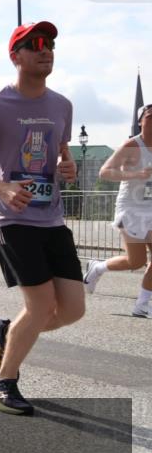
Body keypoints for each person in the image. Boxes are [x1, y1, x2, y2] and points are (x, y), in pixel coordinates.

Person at [0, 21, 84, 416]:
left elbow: (63, 154)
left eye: (48, 44)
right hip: (12, 219)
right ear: (15, 56)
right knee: (40, 304)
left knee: (72, 310)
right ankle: (2, 382)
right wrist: (1, 188)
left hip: (51, 218)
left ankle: (5, 331)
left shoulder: (62, 104)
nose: (44, 50)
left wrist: (68, 168)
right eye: (33, 45)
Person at [83, 103, 152, 317]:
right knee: (136, 261)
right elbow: (105, 172)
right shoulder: (132, 145)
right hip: (130, 209)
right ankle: (97, 268)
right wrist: (137, 174)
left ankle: (142, 304)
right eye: (150, 115)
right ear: (140, 121)